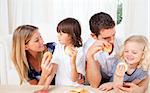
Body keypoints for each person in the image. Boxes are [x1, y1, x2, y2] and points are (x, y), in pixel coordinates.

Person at [85, 12, 149, 93]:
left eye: (113, 35)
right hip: (101, 84)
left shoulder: (122, 43)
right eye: (106, 38)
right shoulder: (89, 47)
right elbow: (94, 84)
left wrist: (141, 89)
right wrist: (90, 56)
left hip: (119, 83)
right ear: (94, 36)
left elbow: (143, 73)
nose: (112, 40)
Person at [50, 18, 85, 86]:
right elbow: (53, 70)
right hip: (60, 88)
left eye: (61, 34)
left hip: (75, 89)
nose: (58, 36)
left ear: (71, 35)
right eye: (58, 33)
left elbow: (75, 79)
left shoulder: (80, 51)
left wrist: (73, 62)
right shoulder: (59, 47)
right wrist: (45, 86)